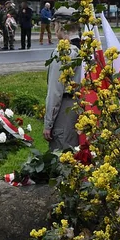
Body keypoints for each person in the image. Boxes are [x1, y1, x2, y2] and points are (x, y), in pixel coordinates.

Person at [44, 23, 83, 153]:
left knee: (62, 155)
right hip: (83, 106)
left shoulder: (63, 52)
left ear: (60, 27)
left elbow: (55, 91)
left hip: (65, 108)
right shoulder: (86, 48)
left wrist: (48, 123)